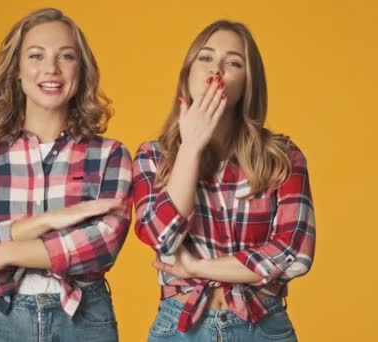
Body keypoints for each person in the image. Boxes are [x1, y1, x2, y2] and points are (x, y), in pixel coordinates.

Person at [0, 8, 131, 342]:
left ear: (81, 70)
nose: (51, 69)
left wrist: (2, 251)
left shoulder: (110, 154)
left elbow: (102, 243)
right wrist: (54, 219)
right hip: (4, 316)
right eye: (36, 56)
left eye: (66, 56)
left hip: (86, 316)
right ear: (17, 69)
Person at [132, 19, 316, 342]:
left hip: (261, 326)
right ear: (188, 72)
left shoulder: (282, 157)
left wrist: (196, 269)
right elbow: (162, 238)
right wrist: (190, 147)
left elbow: (294, 253)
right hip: (180, 328)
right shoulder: (152, 157)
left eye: (233, 62)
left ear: (248, 82)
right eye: (205, 57)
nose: (216, 69)